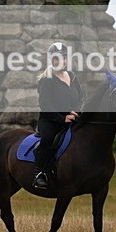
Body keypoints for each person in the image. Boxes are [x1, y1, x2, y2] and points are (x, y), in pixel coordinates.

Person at [33, 42, 84, 189]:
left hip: (71, 118)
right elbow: (45, 105)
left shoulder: (73, 77)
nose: (59, 61)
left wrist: (75, 111)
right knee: (48, 139)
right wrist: (62, 118)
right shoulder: (46, 80)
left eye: (62, 58)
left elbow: (80, 97)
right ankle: (39, 173)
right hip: (50, 120)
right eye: (55, 58)